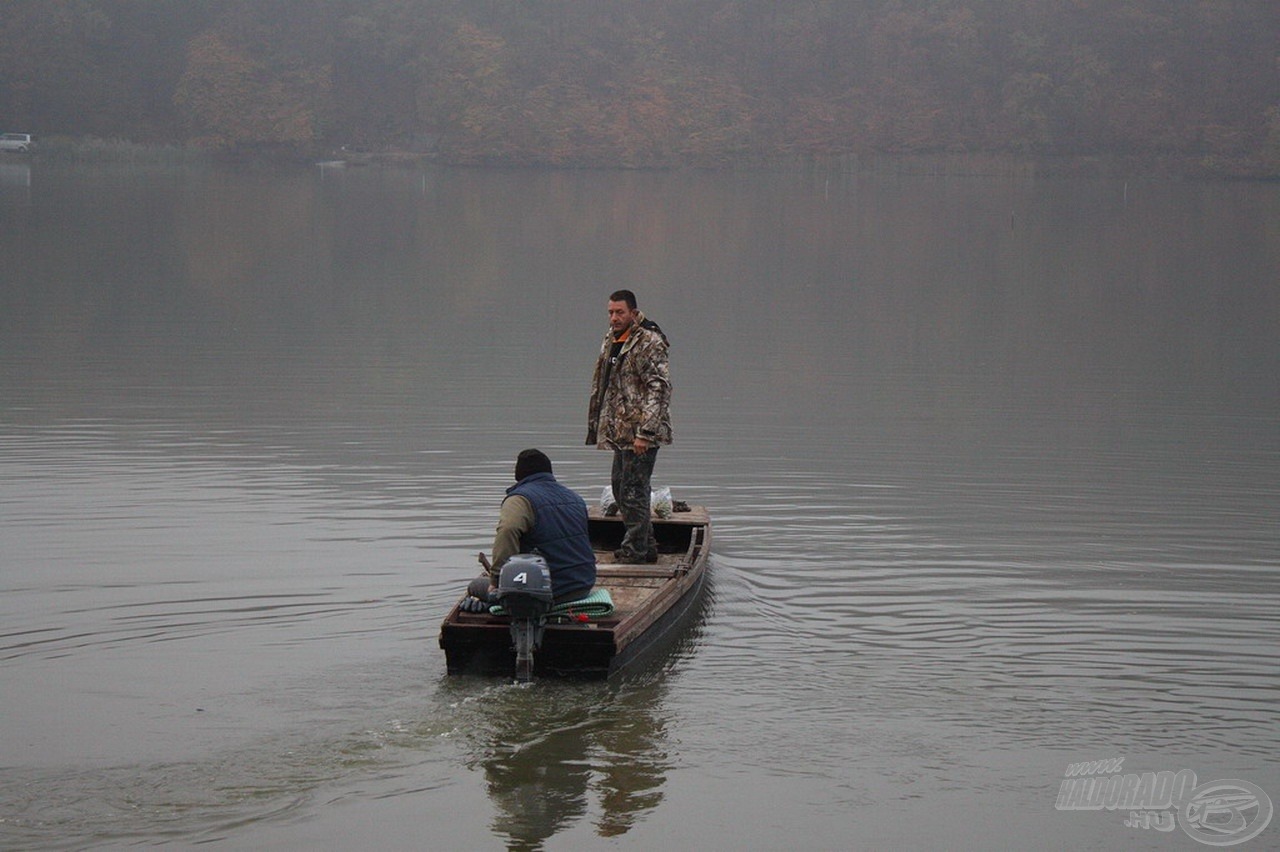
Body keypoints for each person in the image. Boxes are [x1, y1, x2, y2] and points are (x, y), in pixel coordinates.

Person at [586, 289, 672, 563]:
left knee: (634, 490)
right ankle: (646, 545)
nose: (614, 317)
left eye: (620, 312)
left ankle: (635, 551)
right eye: (611, 312)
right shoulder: (612, 339)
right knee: (620, 486)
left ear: (633, 312)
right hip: (620, 430)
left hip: (641, 433)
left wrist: (645, 432)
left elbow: (658, 388)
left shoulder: (649, 341)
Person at [461, 449, 597, 611]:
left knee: (475, 586)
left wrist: (496, 581)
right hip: (582, 586)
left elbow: (507, 532)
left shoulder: (520, 499)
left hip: (548, 592)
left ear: (518, 475)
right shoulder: (575, 499)